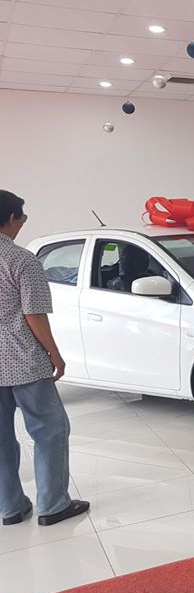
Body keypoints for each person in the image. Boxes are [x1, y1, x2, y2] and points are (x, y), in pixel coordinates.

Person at [0, 190, 89, 526]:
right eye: (22, 216)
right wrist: (55, 353)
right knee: (50, 430)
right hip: (23, 360)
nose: (24, 221)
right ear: (11, 218)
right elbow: (33, 315)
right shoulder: (22, 260)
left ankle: (10, 507)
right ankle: (52, 505)